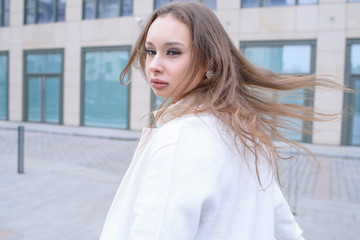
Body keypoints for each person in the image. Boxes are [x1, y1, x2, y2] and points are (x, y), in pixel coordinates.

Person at [99, 1, 340, 239]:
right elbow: (288, 229)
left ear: (209, 61)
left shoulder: (179, 139)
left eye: (173, 52)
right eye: (151, 51)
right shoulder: (245, 132)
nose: (154, 65)